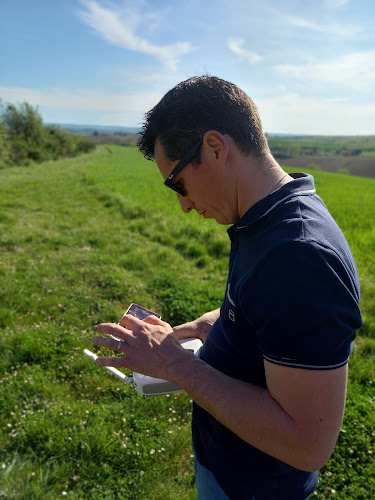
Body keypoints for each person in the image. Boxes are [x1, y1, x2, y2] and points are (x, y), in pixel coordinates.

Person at [92, 76, 363, 499]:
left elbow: (308, 444)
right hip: (229, 465)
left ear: (215, 148)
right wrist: (214, 324)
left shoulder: (299, 256)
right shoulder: (266, 219)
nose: (183, 204)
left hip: (253, 487)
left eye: (177, 184)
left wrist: (177, 366)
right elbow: (272, 312)